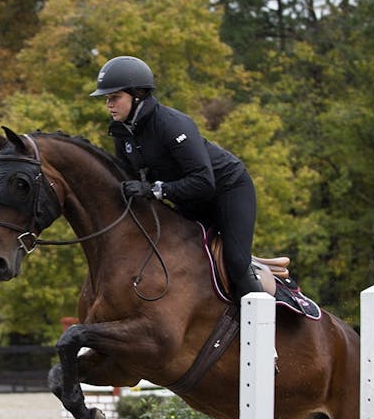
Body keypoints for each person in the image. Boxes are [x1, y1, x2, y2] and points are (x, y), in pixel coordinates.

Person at [90, 55, 263, 300]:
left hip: (227, 190)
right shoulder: (122, 133)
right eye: (107, 99)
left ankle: (264, 326)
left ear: (137, 94)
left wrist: (153, 191)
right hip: (188, 199)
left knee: (235, 261)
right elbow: (128, 182)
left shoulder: (171, 124)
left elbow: (203, 182)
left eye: (114, 97)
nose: (109, 104)